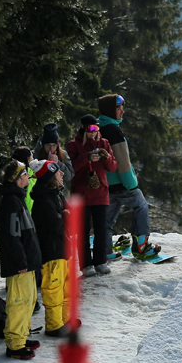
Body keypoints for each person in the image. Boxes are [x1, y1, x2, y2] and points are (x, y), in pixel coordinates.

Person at [97, 93, 161, 260]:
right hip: (121, 183)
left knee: (107, 220)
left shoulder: (98, 129)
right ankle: (141, 246)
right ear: (110, 110)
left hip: (106, 185)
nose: (122, 111)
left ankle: (105, 252)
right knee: (141, 206)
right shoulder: (113, 131)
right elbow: (122, 162)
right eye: (119, 108)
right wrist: (131, 184)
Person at [0, 160, 43, 360]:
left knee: (29, 301)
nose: (28, 177)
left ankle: (22, 336)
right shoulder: (11, 202)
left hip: (28, 261)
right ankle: (15, 345)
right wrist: (20, 261)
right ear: (16, 178)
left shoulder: (18, 198)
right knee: (18, 303)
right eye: (24, 174)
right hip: (19, 264)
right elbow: (11, 235)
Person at [29, 160, 78, 336]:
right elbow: (57, 225)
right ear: (50, 177)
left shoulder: (56, 194)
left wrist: (65, 215)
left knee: (67, 287)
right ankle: (54, 325)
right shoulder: (43, 199)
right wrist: (65, 215)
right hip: (52, 251)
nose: (62, 174)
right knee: (54, 288)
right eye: (58, 172)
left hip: (63, 248)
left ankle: (65, 319)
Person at [67, 114, 118, 276]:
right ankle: (86, 265)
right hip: (81, 193)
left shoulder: (104, 143)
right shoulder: (73, 145)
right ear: (83, 128)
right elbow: (70, 169)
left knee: (101, 229)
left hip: (100, 192)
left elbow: (113, 167)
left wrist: (106, 158)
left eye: (96, 128)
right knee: (82, 231)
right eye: (90, 128)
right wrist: (86, 158)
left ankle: (100, 261)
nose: (93, 131)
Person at [33, 123, 74, 194]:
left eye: (54, 145)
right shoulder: (35, 155)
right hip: (42, 194)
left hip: (61, 194)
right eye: (48, 145)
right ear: (43, 145)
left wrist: (58, 163)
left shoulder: (63, 154)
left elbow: (69, 177)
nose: (51, 149)